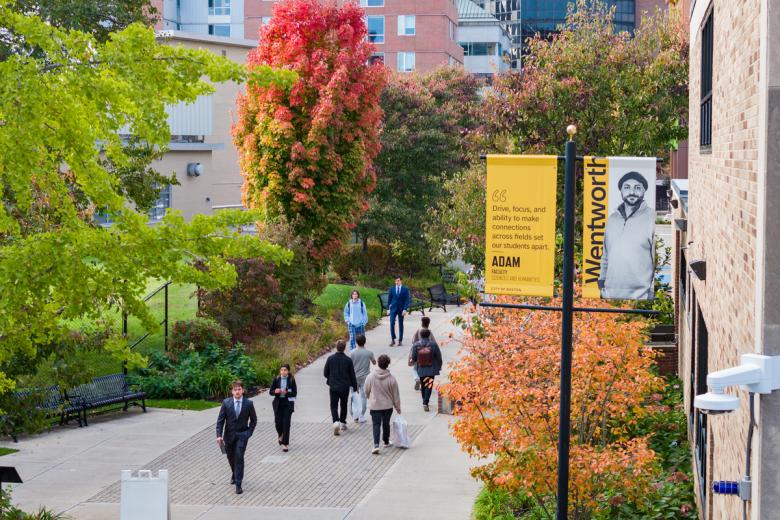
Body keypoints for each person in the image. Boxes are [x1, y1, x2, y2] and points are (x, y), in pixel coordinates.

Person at [598, 171, 656, 300]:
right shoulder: (612, 219)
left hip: (641, 297)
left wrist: (651, 293)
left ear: (644, 191)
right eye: (627, 187)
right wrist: (601, 283)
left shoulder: (652, 218)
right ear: (621, 191)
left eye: (637, 187)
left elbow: (657, 260)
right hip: (609, 295)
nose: (632, 192)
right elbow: (606, 254)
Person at [216, 380, 257, 494]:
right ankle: (234, 473)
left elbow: (254, 420)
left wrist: (249, 433)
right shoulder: (226, 403)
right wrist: (219, 435)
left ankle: (238, 484)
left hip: (242, 435)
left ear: (243, 390)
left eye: (239, 389)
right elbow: (220, 421)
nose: (237, 391)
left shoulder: (248, 404)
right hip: (229, 436)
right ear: (232, 391)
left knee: (239, 458)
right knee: (230, 457)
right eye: (235, 390)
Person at [364, 354, 401, 454]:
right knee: (386, 424)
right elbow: (395, 395)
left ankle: (376, 445)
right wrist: (398, 407)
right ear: (387, 364)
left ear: (378, 363)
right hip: (387, 406)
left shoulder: (371, 377)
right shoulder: (392, 379)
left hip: (375, 406)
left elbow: (366, 389)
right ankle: (385, 441)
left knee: (376, 425)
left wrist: (369, 397)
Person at [323, 339, 358, 435]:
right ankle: (342, 422)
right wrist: (355, 387)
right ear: (344, 348)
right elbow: (352, 375)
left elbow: (325, 373)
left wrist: (331, 378)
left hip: (333, 386)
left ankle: (335, 422)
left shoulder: (330, 359)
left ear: (336, 347)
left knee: (333, 405)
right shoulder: (348, 360)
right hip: (344, 387)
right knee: (343, 405)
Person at [409, 328, 442, 412]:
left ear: (421, 335)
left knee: (423, 385)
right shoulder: (433, 344)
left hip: (421, 368)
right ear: (429, 335)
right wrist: (439, 365)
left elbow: (413, 358)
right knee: (429, 386)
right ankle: (425, 402)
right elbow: (438, 356)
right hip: (431, 369)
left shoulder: (416, 345)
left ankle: (424, 400)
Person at [269, 364, 297, 452]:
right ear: (280, 371)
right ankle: (280, 434)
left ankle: (285, 443)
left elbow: (295, 393)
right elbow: (271, 392)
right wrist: (275, 391)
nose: (283, 372)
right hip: (278, 403)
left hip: (287, 404)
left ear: (288, 371)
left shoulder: (291, 380)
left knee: (286, 424)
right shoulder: (276, 379)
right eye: (282, 370)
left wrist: (286, 393)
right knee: (278, 422)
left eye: (285, 370)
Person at [349, 334, 376, 423]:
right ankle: (361, 415)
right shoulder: (369, 352)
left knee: (354, 396)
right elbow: (374, 362)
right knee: (363, 397)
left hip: (354, 378)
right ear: (364, 342)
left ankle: (354, 415)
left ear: (356, 342)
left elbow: (349, 365)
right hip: (365, 377)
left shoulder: (352, 353)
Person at [410, 316, 437, 391]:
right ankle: (423, 384)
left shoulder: (418, 331)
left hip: (418, 353)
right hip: (428, 354)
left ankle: (417, 379)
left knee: (415, 368)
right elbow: (434, 342)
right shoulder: (429, 332)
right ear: (428, 323)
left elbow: (413, 341)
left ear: (421, 323)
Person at [387, 276, 410, 346]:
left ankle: (400, 340)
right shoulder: (392, 289)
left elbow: (407, 300)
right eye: (396, 281)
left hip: (401, 309)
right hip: (393, 308)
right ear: (395, 281)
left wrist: (405, 309)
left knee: (400, 324)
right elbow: (389, 299)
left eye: (398, 280)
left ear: (401, 281)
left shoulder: (405, 289)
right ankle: (393, 339)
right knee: (391, 323)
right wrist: (388, 309)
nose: (397, 282)